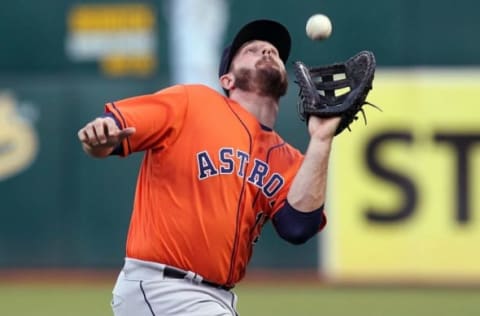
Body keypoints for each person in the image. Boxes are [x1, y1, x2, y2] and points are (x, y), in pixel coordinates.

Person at [77, 19, 341, 316]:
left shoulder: (287, 159)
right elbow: (112, 135)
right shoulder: (193, 103)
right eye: (252, 50)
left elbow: (298, 227)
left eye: (274, 52)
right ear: (227, 80)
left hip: (216, 299)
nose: (267, 50)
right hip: (162, 288)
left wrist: (321, 140)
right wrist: (99, 138)